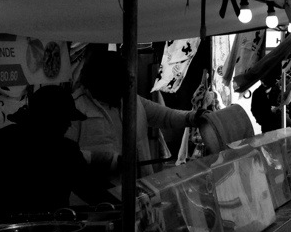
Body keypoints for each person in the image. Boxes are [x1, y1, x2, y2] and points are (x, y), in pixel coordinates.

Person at [0, 85, 114, 220]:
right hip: (49, 229)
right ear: (52, 119)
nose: (69, 124)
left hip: (4, 229)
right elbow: (89, 190)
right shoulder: (65, 150)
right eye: (65, 119)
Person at [68, 48, 200, 189]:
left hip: (142, 190)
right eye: (112, 86)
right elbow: (65, 155)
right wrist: (109, 161)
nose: (118, 95)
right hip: (101, 197)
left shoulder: (131, 101)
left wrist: (193, 117)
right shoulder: (75, 107)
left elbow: (166, 116)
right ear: (97, 81)